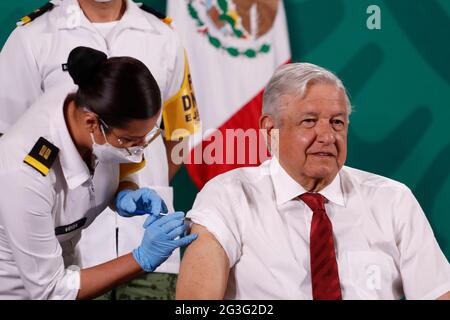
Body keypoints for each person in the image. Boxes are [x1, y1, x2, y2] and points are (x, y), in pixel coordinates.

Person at [176, 62, 450, 300]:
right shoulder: (230, 196)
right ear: (271, 130)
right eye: (309, 121)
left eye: (337, 123)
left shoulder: (393, 200)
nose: (328, 136)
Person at [0, 0, 200, 299]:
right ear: (93, 123)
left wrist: (125, 191)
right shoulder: (24, 171)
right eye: (130, 142)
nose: (138, 152)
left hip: (71, 263)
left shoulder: (87, 114)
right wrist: (141, 258)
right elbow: (51, 291)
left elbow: (177, 132)